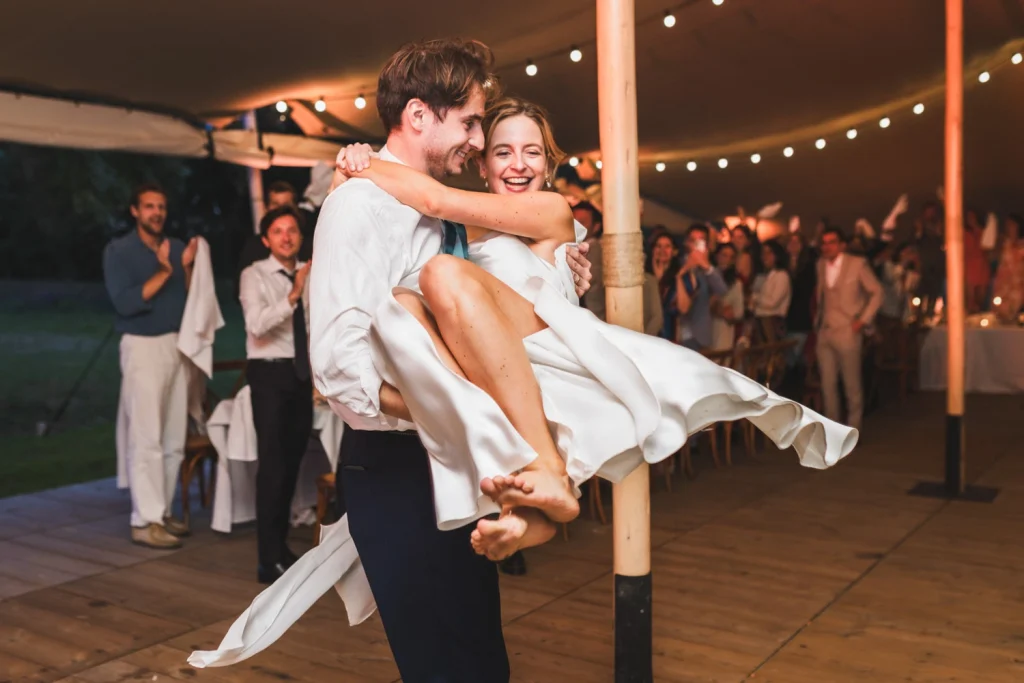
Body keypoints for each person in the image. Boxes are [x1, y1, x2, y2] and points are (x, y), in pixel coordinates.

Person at [189, 94, 857, 677]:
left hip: (536, 357)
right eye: (501, 149)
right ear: (482, 161)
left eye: (530, 151)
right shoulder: (454, 233)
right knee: (411, 297)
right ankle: (526, 519)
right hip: (490, 384)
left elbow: (433, 194)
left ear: (549, 161)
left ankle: (543, 486)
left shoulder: (548, 210)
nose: (515, 163)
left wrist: (360, 161)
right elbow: (433, 224)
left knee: (442, 282)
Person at [104, 184, 197, 549]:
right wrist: (162, 271)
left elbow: (190, 297)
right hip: (141, 346)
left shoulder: (175, 246)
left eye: (161, 206)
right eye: (149, 207)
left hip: (176, 344)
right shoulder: (118, 251)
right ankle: (144, 520)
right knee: (146, 436)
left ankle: (163, 511)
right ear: (134, 211)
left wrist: (185, 268)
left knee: (174, 437)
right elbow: (125, 303)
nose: (156, 212)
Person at [238, 205, 313, 584]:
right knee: (273, 467)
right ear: (266, 239)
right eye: (278, 231)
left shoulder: (309, 272)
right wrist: (293, 296)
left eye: (292, 231)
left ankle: (281, 547)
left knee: (293, 464)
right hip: (269, 376)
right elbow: (256, 326)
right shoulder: (254, 275)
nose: (286, 236)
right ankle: (266, 559)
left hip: (301, 375)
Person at [815, 227, 883, 432]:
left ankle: (854, 430)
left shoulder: (857, 264)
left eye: (832, 242)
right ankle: (833, 431)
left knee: (851, 386)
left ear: (842, 245)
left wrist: (863, 320)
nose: (827, 246)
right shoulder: (820, 265)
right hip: (825, 329)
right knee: (827, 386)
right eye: (824, 242)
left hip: (848, 329)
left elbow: (877, 292)